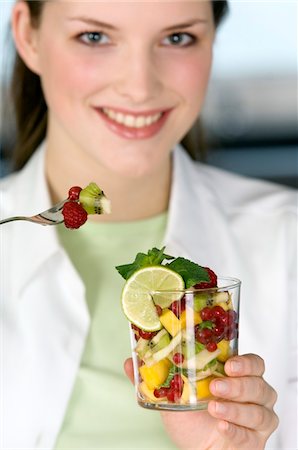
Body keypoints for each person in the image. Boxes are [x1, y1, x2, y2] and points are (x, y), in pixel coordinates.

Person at [0, 0, 296, 449]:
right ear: (28, 34)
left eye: (177, 38)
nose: (139, 87)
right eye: (95, 37)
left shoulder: (287, 240)